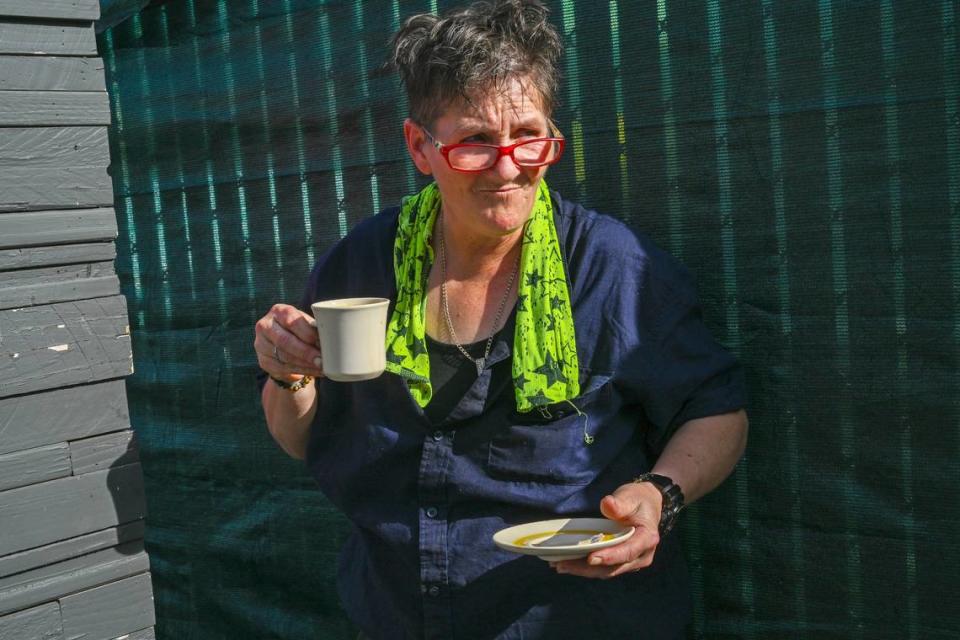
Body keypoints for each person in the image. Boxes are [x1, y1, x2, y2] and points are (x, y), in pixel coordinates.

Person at [254, 1, 748, 638]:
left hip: (577, 617)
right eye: (476, 143)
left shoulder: (613, 268)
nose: (509, 165)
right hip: (399, 613)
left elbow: (716, 411)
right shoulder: (361, 265)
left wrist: (660, 495)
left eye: (528, 134)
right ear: (419, 147)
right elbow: (303, 438)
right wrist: (289, 373)